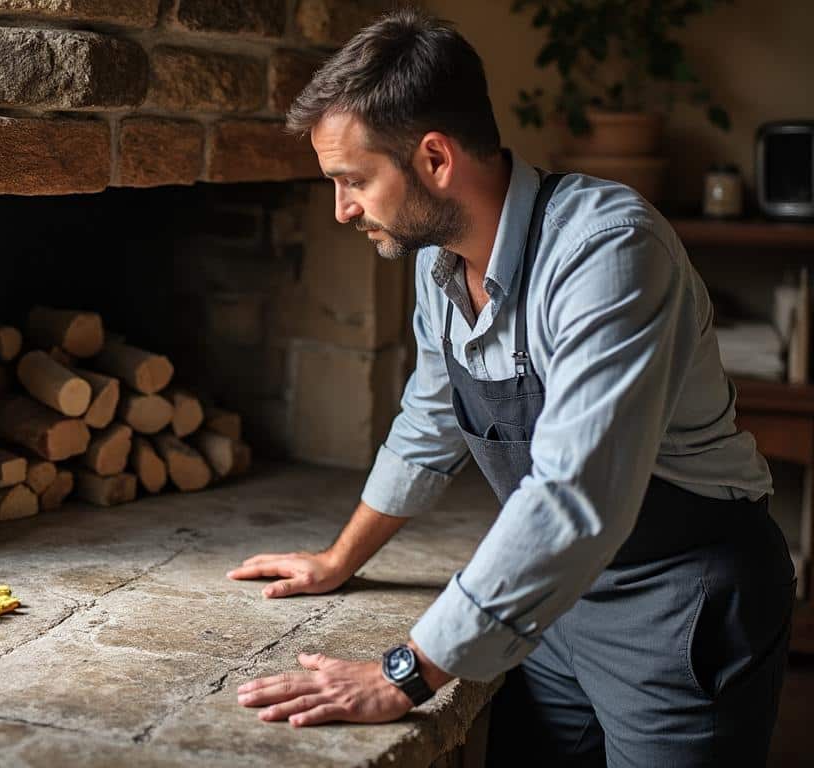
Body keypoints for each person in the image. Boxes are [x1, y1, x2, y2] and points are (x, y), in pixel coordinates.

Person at [227, 9, 795, 766]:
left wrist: (406, 672)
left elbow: (575, 492)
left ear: (434, 158)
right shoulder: (438, 262)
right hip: (555, 604)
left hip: (677, 603)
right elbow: (429, 422)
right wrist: (340, 558)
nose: (342, 210)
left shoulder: (608, 251)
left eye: (353, 181)